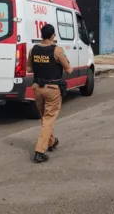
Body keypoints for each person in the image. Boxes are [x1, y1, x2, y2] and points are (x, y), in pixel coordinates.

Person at [27, 23, 72, 163]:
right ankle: (39, 151)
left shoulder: (33, 49)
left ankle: (51, 142)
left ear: (41, 35)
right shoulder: (57, 50)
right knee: (48, 119)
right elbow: (69, 69)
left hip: (37, 89)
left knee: (45, 118)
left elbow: (29, 69)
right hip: (52, 89)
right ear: (52, 36)